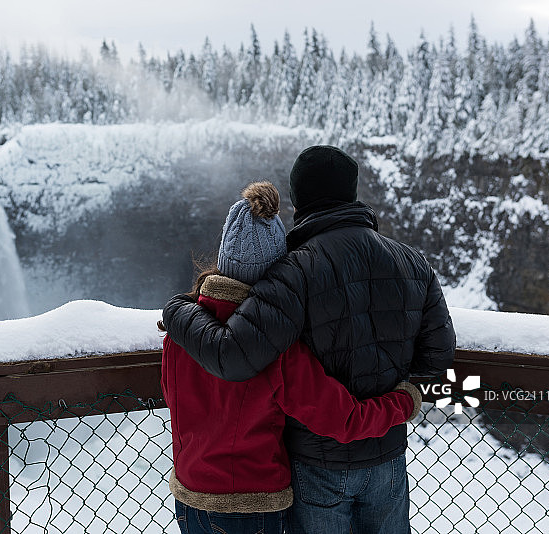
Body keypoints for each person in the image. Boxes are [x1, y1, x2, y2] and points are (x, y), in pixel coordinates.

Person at [162, 146, 456, 533]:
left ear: (298, 200)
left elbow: (233, 355)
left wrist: (176, 311)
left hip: (315, 463)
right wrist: (403, 398)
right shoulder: (413, 261)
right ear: (352, 192)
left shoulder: (292, 271)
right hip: (387, 455)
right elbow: (439, 356)